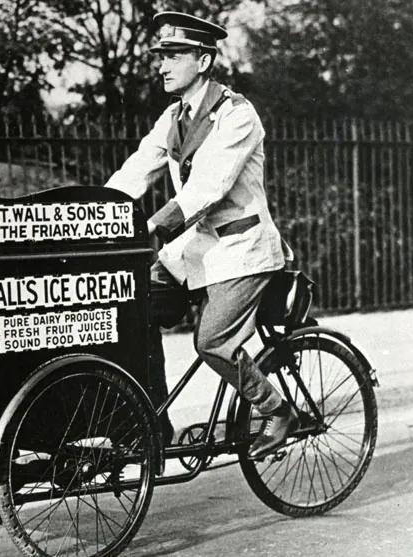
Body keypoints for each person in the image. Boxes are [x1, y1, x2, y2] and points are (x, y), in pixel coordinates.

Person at [104, 11, 297, 458]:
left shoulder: (237, 115)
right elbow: (136, 169)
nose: (162, 65)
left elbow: (208, 187)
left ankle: (277, 410)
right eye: (160, 56)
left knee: (212, 343)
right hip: (196, 249)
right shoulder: (173, 117)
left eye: (173, 55)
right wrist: (93, 212)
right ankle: (152, 421)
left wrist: (154, 225)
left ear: (204, 60)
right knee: (133, 308)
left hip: (241, 248)